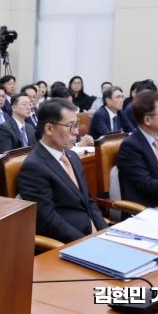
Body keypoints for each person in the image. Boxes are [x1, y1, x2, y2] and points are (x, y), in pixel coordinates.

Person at [17, 99, 107, 243]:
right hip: (70, 243)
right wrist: (86, 242)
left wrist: (105, 233)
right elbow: (48, 221)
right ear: (49, 129)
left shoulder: (72, 156)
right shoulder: (34, 167)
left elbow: (89, 201)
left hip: (94, 236)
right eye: (71, 126)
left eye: (76, 125)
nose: (76, 132)